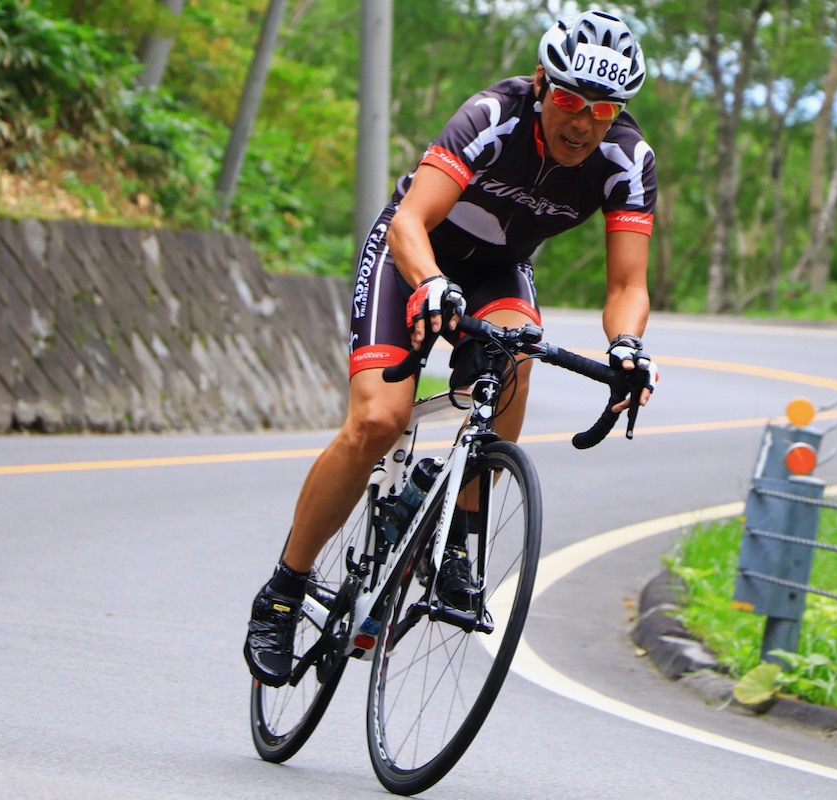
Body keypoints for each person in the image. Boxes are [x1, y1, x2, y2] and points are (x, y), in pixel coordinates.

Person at [245, 8, 659, 687]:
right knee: (378, 421)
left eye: (602, 109)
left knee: (519, 354)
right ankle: (284, 589)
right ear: (540, 83)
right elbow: (412, 219)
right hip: (415, 253)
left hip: (499, 268)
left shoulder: (626, 160)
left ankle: (458, 540)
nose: (582, 121)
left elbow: (626, 283)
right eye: (568, 100)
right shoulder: (495, 114)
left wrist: (629, 347)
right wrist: (432, 285)